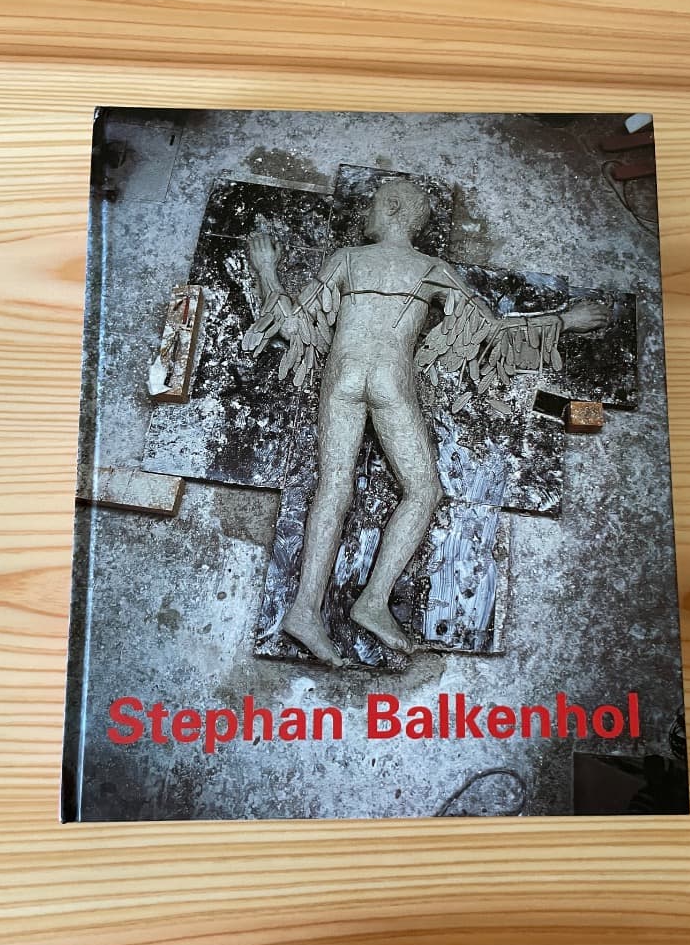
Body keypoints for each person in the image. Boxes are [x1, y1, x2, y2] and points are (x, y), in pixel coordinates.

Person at [243, 179, 607, 666]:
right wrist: (565, 319)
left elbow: (292, 327)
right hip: (390, 383)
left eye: (374, 205)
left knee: (334, 486)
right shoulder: (432, 269)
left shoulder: (346, 259)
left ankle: (305, 610)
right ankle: (372, 600)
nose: (367, 215)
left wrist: (267, 271)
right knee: (423, 491)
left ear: (394, 207)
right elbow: (491, 331)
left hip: (342, 379)